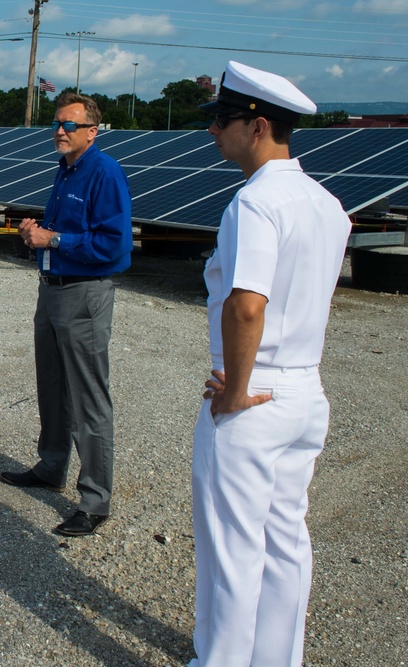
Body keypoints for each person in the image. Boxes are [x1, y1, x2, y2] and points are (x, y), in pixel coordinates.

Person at [189, 61, 351, 667]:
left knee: (231, 550)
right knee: (286, 542)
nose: (213, 131)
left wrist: (234, 392)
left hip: (254, 395)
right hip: (305, 389)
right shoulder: (327, 204)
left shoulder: (255, 203)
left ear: (257, 126)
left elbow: (247, 304)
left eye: (223, 120)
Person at [0, 92, 132, 537]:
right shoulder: (66, 170)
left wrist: (53, 240)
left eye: (70, 125)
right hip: (52, 290)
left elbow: (115, 247)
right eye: (58, 123)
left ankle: (95, 500)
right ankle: (51, 466)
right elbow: (62, 232)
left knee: (89, 398)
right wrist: (34, 233)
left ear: (93, 131)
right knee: (52, 386)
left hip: (84, 296)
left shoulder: (104, 172)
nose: (60, 130)